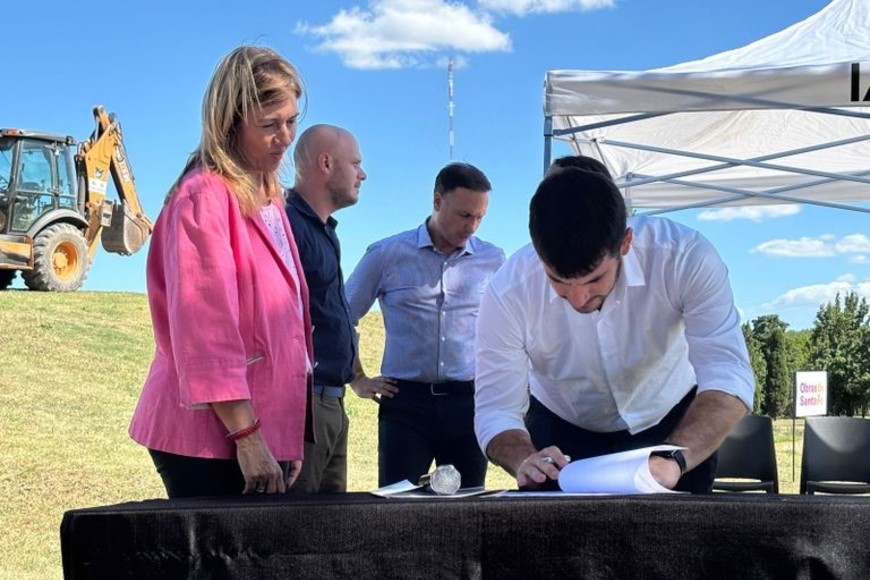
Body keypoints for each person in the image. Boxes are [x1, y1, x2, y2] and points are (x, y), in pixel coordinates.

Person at [474, 162, 755, 494]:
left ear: (625, 242)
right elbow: (497, 408)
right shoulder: (508, 290)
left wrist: (674, 459)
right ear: (537, 252)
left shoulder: (685, 257)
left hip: (673, 420)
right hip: (561, 431)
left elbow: (727, 370)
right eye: (558, 281)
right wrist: (524, 459)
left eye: (594, 278)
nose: (577, 299)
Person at [129, 45, 313, 498]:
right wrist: (247, 437)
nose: (286, 137)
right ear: (229, 124)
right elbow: (205, 329)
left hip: (258, 427)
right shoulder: (203, 196)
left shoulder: (268, 195)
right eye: (270, 125)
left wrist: (289, 437)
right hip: (213, 438)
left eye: (292, 121)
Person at [346, 162, 505, 488]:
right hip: (406, 406)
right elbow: (342, 317)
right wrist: (357, 379)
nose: (472, 226)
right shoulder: (386, 255)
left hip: (468, 404)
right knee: (397, 505)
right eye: (464, 215)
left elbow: (510, 330)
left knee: (467, 508)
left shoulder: (494, 261)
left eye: (480, 217)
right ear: (437, 201)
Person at [285, 124, 366, 493]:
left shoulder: (325, 230)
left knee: (329, 532)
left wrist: (357, 376)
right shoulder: (287, 226)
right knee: (296, 532)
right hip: (302, 408)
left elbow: (332, 314)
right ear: (326, 163)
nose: (362, 174)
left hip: (332, 403)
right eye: (355, 163)